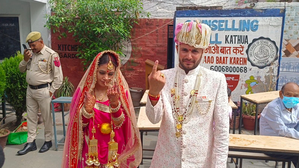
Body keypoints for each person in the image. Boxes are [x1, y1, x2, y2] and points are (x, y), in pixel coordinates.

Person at [146, 20, 229, 167]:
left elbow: (222, 131)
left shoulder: (216, 80)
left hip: (200, 162)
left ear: (203, 52)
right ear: (177, 48)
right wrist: (153, 91)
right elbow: (154, 119)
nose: (189, 56)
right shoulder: (163, 77)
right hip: (166, 160)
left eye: (195, 51)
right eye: (185, 50)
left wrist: (219, 165)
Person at [62, 50, 142, 168]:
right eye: (102, 73)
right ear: (95, 71)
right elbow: (77, 127)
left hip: (114, 150)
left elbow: (124, 125)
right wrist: (87, 111)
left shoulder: (121, 93)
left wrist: (115, 105)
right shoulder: (84, 93)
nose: (106, 78)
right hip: (91, 150)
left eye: (110, 74)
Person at [18, 31, 63, 155]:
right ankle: (31, 142)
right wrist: (25, 60)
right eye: (30, 46)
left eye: (34, 45)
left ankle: (48, 140)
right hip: (30, 90)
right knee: (31, 117)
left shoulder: (51, 55)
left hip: (44, 91)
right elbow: (21, 70)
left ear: (41, 42)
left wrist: (50, 91)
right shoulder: (30, 55)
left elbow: (58, 77)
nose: (31, 48)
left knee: (46, 117)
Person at [260, 82, 299, 167]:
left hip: (289, 142)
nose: (292, 98)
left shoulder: (297, 106)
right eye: (288, 95)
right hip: (271, 145)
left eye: (295, 96)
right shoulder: (273, 107)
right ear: (281, 94)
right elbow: (282, 130)